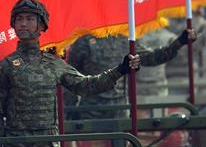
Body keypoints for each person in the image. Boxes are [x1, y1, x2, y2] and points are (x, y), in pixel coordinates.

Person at [0, 0, 140, 147]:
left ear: (41, 26)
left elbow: (86, 86)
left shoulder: (54, 63)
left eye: (29, 19)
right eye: (19, 19)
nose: (23, 24)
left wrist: (120, 69)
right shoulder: (5, 66)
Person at [66, 26, 196, 112]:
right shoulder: (84, 42)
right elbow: (71, 78)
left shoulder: (125, 40)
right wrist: (70, 110)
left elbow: (152, 58)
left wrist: (179, 42)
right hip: (91, 111)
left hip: (120, 109)